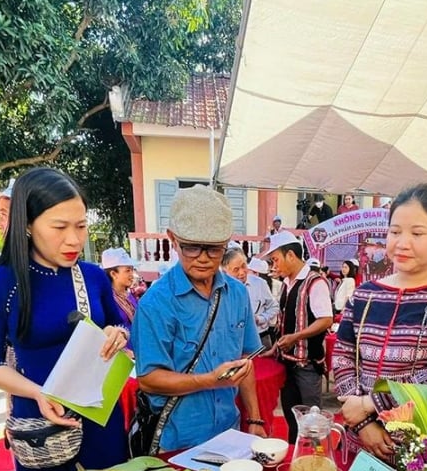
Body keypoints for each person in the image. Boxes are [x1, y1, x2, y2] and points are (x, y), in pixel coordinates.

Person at [0, 167, 130, 471]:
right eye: (59, 227)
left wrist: (118, 335)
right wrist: (36, 393)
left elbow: (120, 324)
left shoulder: (92, 277)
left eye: (82, 226)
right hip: (42, 424)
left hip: (101, 415)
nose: (74, 239)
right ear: (27, 224)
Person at [333, 183, 427, 459]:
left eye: (418, 233)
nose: (402, 243)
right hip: (362, 442)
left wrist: (369, 404)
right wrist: (363, 423)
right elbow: (342, 358)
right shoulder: (366, 294)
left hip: (421, 446)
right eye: (395, 232)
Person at [133, 186, 267, 451]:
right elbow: (148, 379)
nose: (204, 259)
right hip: (176, 438)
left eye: (215, 249)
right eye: (192, 247)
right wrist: (208, 380)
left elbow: (245, 362)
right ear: (173, 239)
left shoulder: (238, 293)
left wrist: (255, 418)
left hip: (230, 431)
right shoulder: (156, 303)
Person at [261, 232, 334, 442]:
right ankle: (295, 456)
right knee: (291, 416)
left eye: (275, 259)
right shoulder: (287, 283)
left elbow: (326, 320)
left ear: (290, 255)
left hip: (307, 365)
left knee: (312, 421)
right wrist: (277, 346)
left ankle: (316, 460)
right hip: (288, 362)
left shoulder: (315, 282)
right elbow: (286, 322)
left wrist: (295, 337)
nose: (273, 265)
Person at [222, 247, 279, 348]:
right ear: (225, 271)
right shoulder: (221, 288)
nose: (242, 272)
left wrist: (261, 318)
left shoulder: (259, 283)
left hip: (261, 338)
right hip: (231, 341)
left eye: (244, 266)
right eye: (236, 270)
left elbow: (274, 307)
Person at [101, 246, 140, 329]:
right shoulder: (107, 300)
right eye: (127, 270)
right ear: (113, 274)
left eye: (132, 270)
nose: (132, 274)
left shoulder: (129, 295)